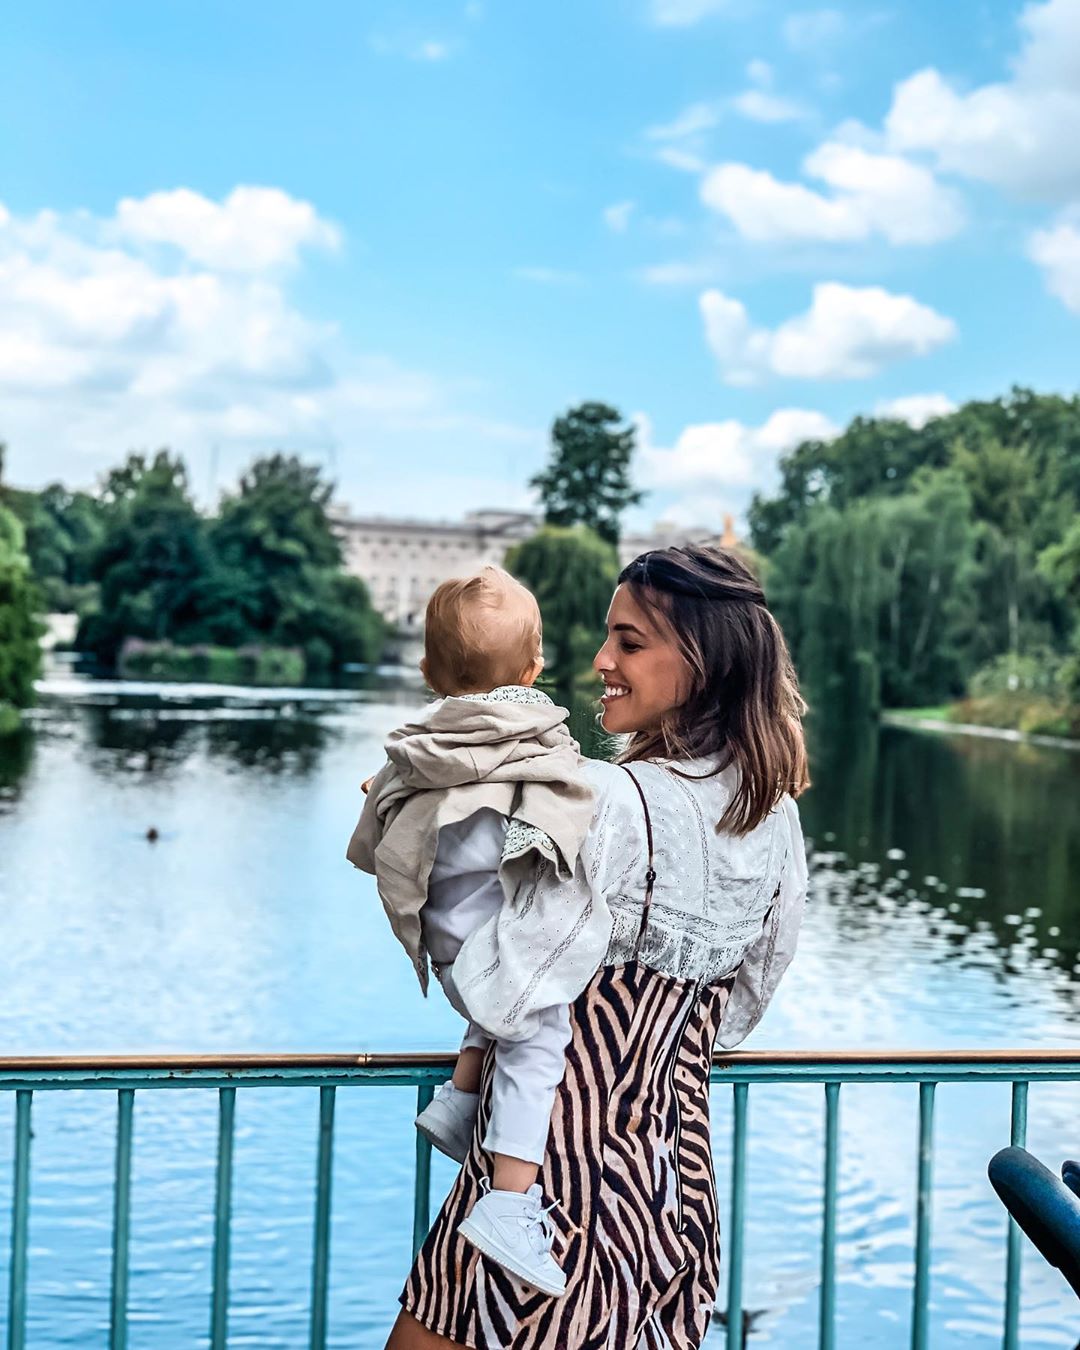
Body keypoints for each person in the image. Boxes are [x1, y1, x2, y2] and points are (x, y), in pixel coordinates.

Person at [386, 543, 810, 1350]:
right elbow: (743, 1004)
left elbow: (508, 991)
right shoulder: (774, 816)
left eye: (629, 642)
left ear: (704, 661)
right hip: (671, 1184)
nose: (600, 659)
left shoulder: (607, 801)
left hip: (544, 1180)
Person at [348, 565, 600, 1296]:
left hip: (452, 951)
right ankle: (511, 1201)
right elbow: (566, 790)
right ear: (533, 669)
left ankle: (461, 1099)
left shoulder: (423, 748)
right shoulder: (527, 742)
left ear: (427, 671)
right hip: (493, 956)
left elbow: (401, 783)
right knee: (541, 1028)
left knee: (505, 979)